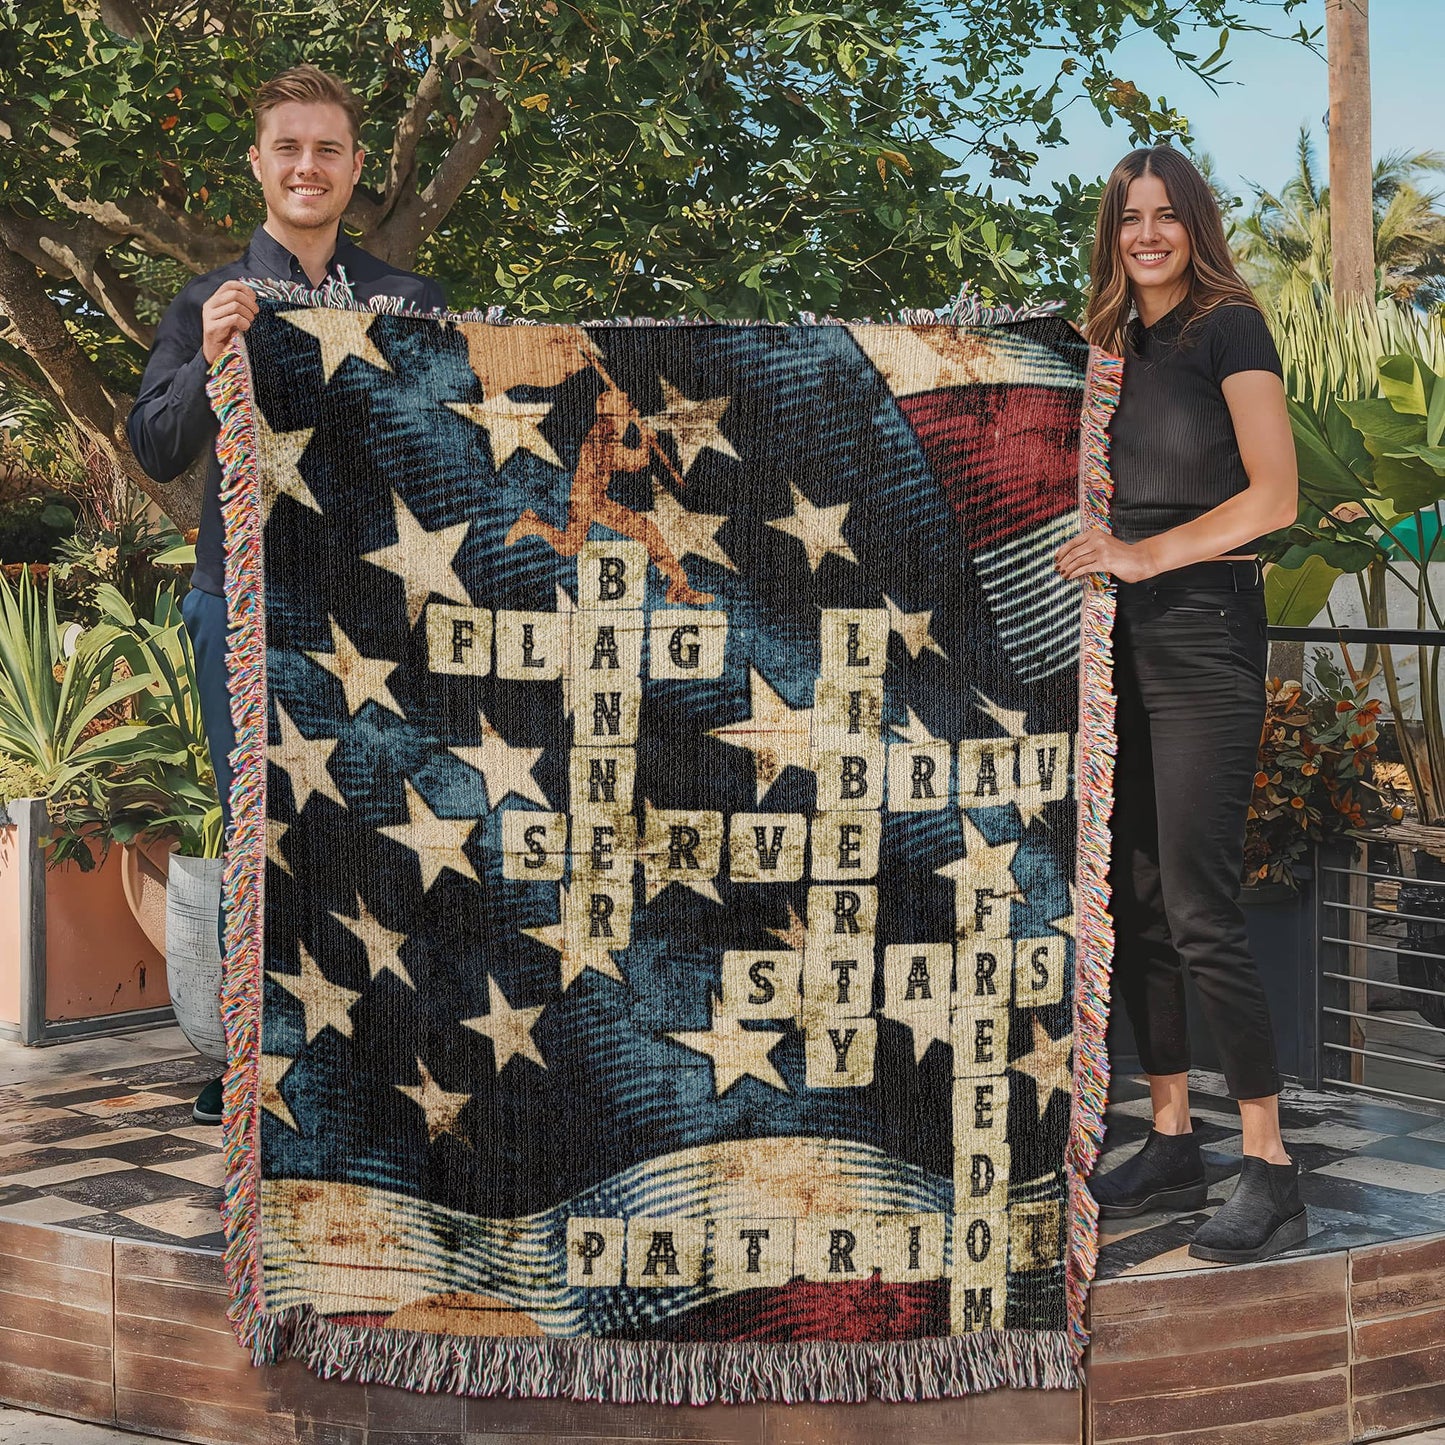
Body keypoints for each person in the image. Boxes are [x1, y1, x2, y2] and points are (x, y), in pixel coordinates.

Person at [127, 65, 444, 1124]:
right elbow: (156, 444)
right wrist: (210, 353)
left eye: (327, 149)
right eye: (288, 148)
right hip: (249, 609)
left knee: (387, 829)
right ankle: (256, 1063)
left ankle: (382, 1062)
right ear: (259, 164)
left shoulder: (414, 307)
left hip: (387, 618)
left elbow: (459, 465)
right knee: (262, 834)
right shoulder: (208, 299)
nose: (306, 166)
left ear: (355, 169)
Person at [1055, 146, 1303, 1263]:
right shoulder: (1110, 345)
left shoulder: (1228, 325)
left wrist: (1145, 556)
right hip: (1116, 635)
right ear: (1109, 233)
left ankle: (1267, 1164)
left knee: (1199, 900)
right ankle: (1168, 1133)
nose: (1144, 234)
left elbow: (1275, 494)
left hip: (1202, 629)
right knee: (1137, 897)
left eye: (1163, 215)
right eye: (1127, 219)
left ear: (1193, 222)